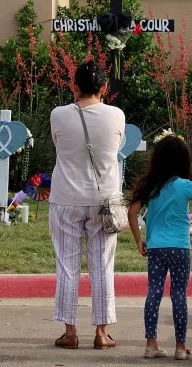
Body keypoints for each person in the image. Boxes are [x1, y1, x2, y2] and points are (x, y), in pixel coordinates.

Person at [48, 59, 125, 350]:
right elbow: (116, 149)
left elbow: (59, 145)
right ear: (104, 88)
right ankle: (102, 332)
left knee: (67, 267)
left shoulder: (59, 115)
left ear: (74, 86)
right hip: (104, 200)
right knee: (103, 265)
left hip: (66, 198)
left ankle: (70, 331)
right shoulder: (116, 115)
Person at [128, 135, 192, 361]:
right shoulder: (187, 187)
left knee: (153, 293)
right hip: (180, 248)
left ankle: (151, 344)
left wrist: (138, 240)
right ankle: (180, 346)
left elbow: (132, 211)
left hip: (155, 247)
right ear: (184, 160)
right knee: (179, 295)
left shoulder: (151, 186)